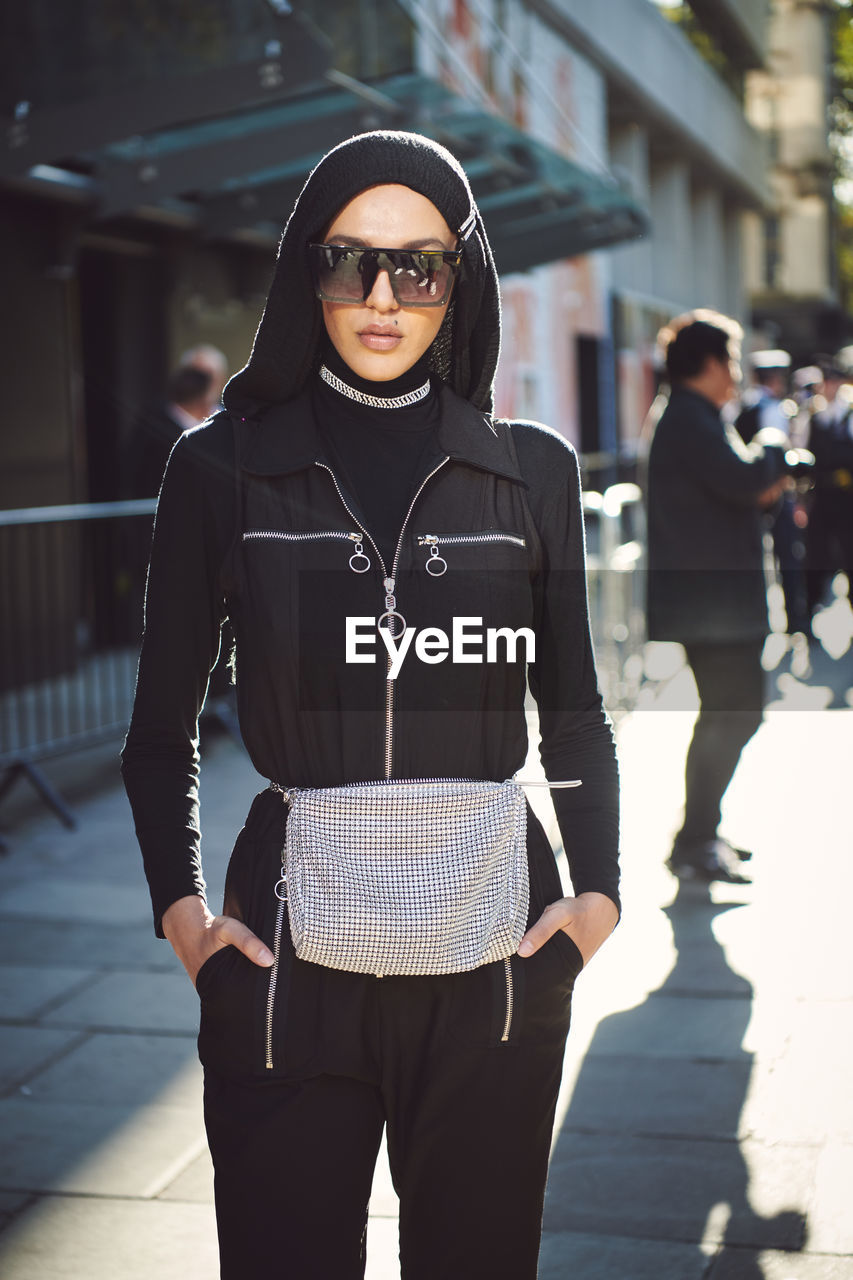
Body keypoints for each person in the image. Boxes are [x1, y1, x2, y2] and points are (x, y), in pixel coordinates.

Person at [121, 130, 620, 1279]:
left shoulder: (532, 468)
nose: (384, 296)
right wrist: (184, 918)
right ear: (308, 270)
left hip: (497, 952)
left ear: (462, 279)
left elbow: (576, 706)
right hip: (287, 958)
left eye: (420, 266)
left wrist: (597, 899)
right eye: (351, 262)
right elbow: (159, 726)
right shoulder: (219, 468)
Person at [646, 311, 788, 884]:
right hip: (716, 610)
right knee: (732, 715)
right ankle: (695, 840)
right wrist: (776, 443)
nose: (734, 373)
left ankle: (700, 834)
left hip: (715, 607)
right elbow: (745, 480)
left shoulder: (693, 416)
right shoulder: (689, 417)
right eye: (729, 360)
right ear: (705, 364)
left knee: (730, 715)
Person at [735, 349, 809, 636]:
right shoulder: (772, 409)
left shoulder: (742, 407)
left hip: (746, 494)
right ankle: (795, 619)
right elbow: (779, 457)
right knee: (787, 558)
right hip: (774, 494)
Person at [804, 359, 853, 623]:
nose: (830, 388)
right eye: (826, 382)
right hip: (821, 495)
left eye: (834, 382)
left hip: (847, 498)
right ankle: (809, 611)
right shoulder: (815, 415)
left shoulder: (849, 413)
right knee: (815, 554)